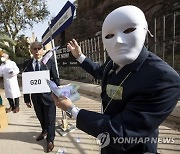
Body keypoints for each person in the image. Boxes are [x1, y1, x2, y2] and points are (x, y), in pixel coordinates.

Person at [51, 5, 180, 154]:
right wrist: (79, 57)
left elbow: (123, 132)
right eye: (110, 35)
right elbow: (99, 72)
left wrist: (72, 110)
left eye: (128, 30)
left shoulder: (163, 79)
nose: (118, 40)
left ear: (146, 31)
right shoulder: (113, 61)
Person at [23, 41, 60, 153]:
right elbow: (26, 82)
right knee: (41, 117)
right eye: (34, 49)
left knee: (50, 119)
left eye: (39, 48)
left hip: (49, 97)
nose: (37, 50)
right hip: (36, 98)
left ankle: (50, 140)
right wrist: (26, 98)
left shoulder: (49, 62)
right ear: (31, 51)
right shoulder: (28, 64)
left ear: (42, 50)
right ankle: (44, 131)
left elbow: (56, 78)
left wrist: (58, 93)